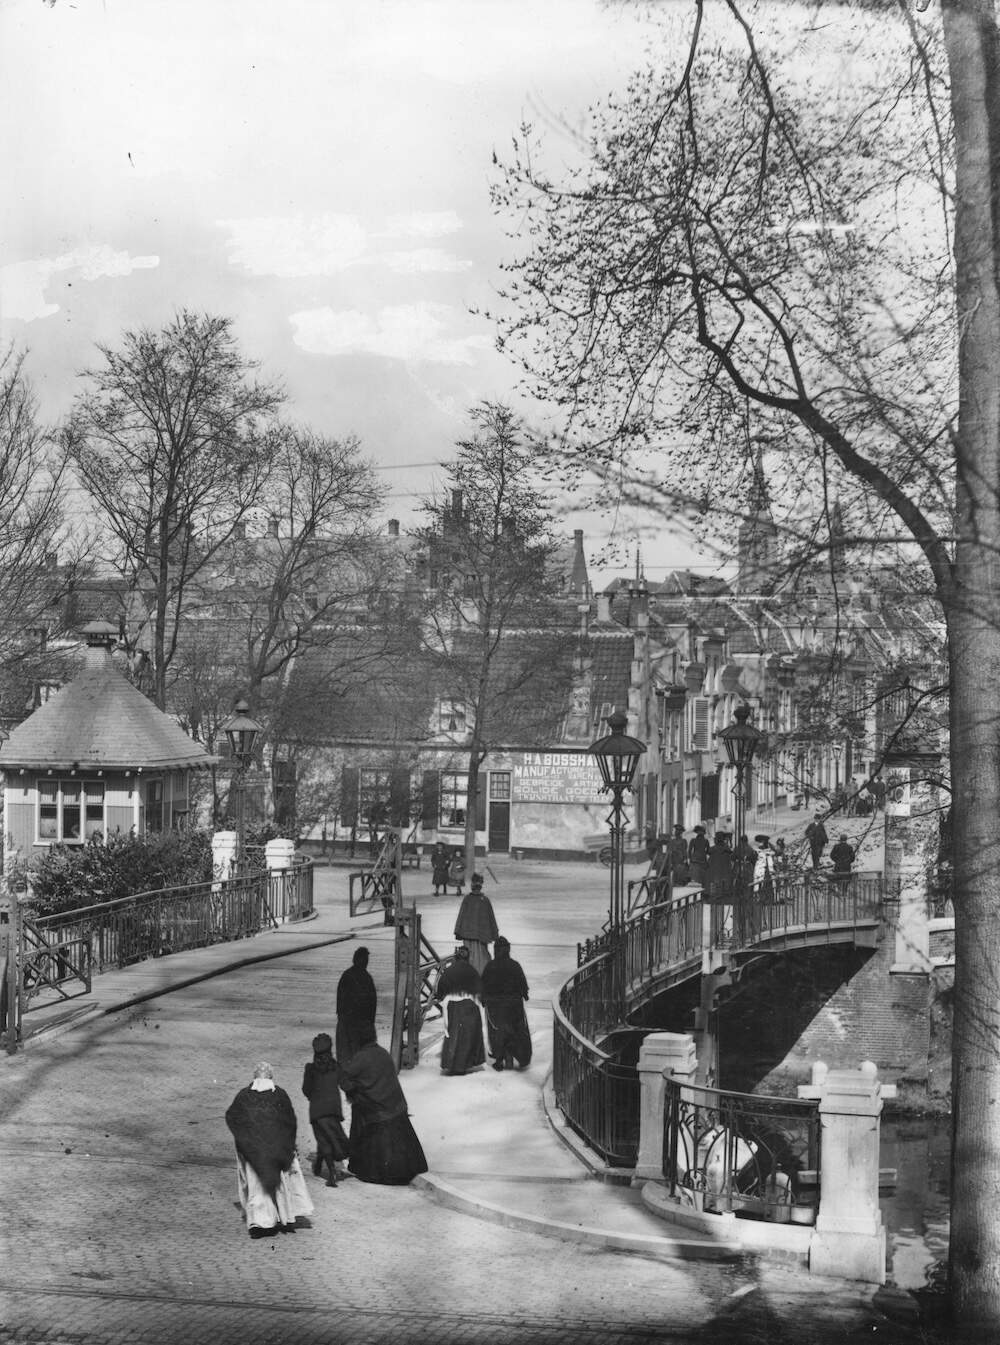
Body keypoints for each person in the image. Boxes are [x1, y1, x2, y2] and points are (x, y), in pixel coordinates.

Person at [225, 1061, 314, 1238]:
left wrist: (243, 1139)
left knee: (257, 1186)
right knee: (281, 1184)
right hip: (277, 1148)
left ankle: (261, 1223)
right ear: (271, 1076)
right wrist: (289, 1144)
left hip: (254, 1150)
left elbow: (232, 1116)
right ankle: (283, 1217)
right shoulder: (280, 1095)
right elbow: (290, 1121)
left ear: (255, 1077)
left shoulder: (244, 1095)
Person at [339, 1024, 428, 1185]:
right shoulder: (382, 1053)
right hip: (397, 1107)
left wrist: (354, 1091)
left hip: (378, 1114)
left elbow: (343, 1077)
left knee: (359, 1111)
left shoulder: (361, 1058)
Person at [301, 1032, 349, 1187]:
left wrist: (313, 1096)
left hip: (317, 1110)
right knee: (328, 1136)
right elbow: (345, 1084)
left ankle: (332, 1173)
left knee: (323, 1138)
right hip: (333, 1109)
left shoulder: (311, 1069)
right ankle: (319, 1165)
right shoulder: (335, 1066)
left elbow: (306, 1089)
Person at [482, 936, 532, 1071]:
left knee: (497, 1032)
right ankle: (519, 1057)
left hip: (495, 1006)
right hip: (513, 1005)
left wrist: (483, 999)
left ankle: (499, 1059)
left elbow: (483, 985)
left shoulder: (490, 966)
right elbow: (522, 984)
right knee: (515, 1031)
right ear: (508, 949)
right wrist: (524, 994)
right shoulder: (515, 965)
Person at [434, 946, 487, 1076]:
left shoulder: (449, 971)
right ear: (467, 957)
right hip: (469, 1005)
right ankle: (464, 1065)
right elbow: (480, 988)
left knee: (453, 1035)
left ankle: (453, 1065)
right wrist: (483, 1002)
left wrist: (442, 997)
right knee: (468, 1036)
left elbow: (440, 990)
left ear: (456, 957)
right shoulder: (472, 970)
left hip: (453, 1006)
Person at [336, 946, 377, 1066]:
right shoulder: (366, 978)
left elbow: (340, 1000)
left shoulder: (347, 975)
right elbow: (372, 1005)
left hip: (348, 1023)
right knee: (359, 1057)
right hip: (359, 1025)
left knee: (345, 1055)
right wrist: (370, 1024)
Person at [453, 872, 499, 975]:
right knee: (482, 958)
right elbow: (491, 919)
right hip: (482, 936)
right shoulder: (485, 900)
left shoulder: (468, 899)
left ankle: (471, 976)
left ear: (472, 885)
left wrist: (458, 930)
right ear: (481, 886)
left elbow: (461, 915)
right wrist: (495, 935)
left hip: (468, 935)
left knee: (469, 956)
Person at [706, 832, 734, 903]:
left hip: (716, 869)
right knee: (723, 883)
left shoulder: (713, 849)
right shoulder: (726, 849)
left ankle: (716, 897)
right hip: (724, 870)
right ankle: (723, 897)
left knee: (715, 883)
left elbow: (709, 851)